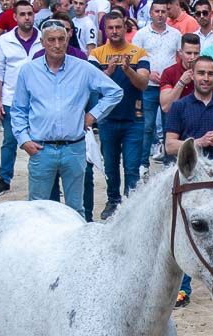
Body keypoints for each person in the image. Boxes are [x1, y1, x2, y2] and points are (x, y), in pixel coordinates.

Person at [11, 19, 123, 214]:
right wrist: (24, 140)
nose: (57, 44)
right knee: (38, 209)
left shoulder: (83, 68)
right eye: (52, 40)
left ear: (67, 39)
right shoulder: (28, 71)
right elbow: (19, 109)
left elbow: (115, 92)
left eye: (61, 39)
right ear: (43, 42)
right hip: (41, 148)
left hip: (74, 148)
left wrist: (93, 115)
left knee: (75, 208)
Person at [163, 54, 213, 306]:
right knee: (186, 229)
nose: (205, 78)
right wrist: (200, 142)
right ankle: (182, 288)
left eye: (210, 74)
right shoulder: (180, 107)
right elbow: (170, 145)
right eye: (201, 73)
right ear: (193, 75)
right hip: (190, 180)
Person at [89, 12, 150, 220]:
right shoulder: (96, 54)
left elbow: (143, 83)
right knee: (110, 166)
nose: (115, 31)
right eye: (110, 28)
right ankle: (113, 200)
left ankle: (130, 206)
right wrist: (109, 71)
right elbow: (92, 86)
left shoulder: (138, 53)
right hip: (107, 119)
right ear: (105, 30)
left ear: (125, 28)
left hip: (134, 118)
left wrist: (127, 70)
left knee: (132, 167)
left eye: (118, 27)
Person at [0, 0, 45, 197]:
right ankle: (4, 179)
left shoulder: (44, 38)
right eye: (22, 14)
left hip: (39, 100)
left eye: (29, 14)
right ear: (14, 17)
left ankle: (47, 179)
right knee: (9, 141)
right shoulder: (4, 41)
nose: (27, 18)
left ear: (34, 15)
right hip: (11, 99)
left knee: (43, 141)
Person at [133, 0, 181, 171]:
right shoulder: (141, 34)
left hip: (168, 87)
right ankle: (143, 163)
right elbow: (135, 58)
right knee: (147, 126)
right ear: (150, 13)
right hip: (148, 86)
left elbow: (179, 57)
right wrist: (148, 73)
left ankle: (169, 164)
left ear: (167, 13)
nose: (160, 14)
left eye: (163, 11)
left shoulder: (176, 34)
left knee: (171, 127)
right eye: (157, 11)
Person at [159, 32, 203, 114]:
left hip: (201, 119)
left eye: (196, 53)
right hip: (177, 121)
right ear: (180, 53)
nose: (192, 57)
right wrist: (181, 83)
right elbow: (165, 107)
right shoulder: (169, 72)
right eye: (189, 53)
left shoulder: (206, 72)